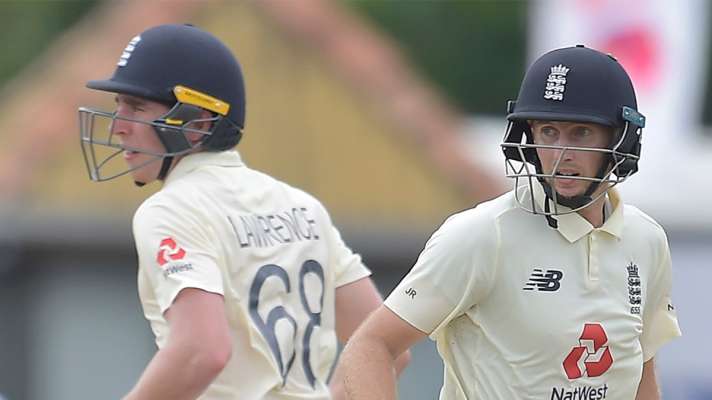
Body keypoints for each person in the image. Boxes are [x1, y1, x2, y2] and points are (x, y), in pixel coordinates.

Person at [79, 24, 408, 400]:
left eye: (136, 107)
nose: (118, 126)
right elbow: (387, 348)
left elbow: (202, 351)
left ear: (198, 123)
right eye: (118, 105)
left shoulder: (171, 209)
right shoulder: (301, 205)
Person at [339, 45, 681, 399]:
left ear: (621, 138)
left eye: (581, 133)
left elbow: (640, 369)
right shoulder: (482, 235)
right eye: (548, 131)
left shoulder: (646, 240)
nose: (561, 154)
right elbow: (372, 346)